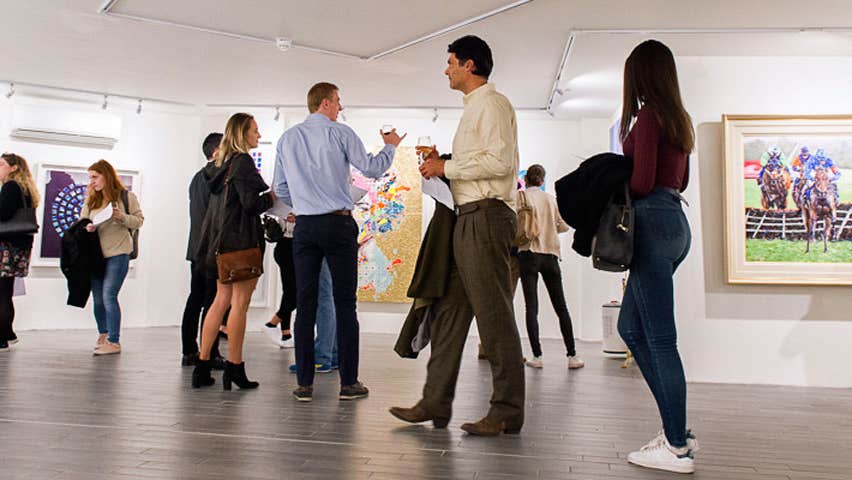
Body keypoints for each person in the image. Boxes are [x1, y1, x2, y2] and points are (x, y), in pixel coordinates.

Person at [390, 35, 525, 436]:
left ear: (470, 65)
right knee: (449, 312)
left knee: (494, 316)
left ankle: (506, 410)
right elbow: (482, 160)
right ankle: (435, 401)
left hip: (485, 218)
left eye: (450, 62)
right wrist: (445, 165)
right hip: (468, 219)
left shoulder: (492, 104)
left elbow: (500, 163)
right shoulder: (475, 109)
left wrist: (445, 167)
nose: (446, 69)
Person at [274, 82, 403, 402]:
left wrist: (304, 204)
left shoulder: (287, 139)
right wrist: (390, 146)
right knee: (345, 304)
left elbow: (281, 187)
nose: (341, 107)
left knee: (305, 305)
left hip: (304, 228)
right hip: (338, 223)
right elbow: (373, 168)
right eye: (338, 101)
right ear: (325, 104)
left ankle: (304, 384)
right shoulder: (341, 133)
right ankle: (348, 383)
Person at [616, 39, 699, 474]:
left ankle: (677, 444)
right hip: (675, 224)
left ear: (640, 74)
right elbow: (678, 181)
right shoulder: (678, 118)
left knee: (662, 339)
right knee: (628, 326)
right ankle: (676, 432)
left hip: (650, 221)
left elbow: (643, 181)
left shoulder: (647, 116)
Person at [192, 113, 275, 390]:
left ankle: (202, 367)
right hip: (240, 245)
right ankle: (235, 367)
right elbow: (251, 205)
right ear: (242, 133)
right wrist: (272, 197)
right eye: (255, 130)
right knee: (239, 304)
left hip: (218, 245)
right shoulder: (242, 162)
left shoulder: (220, 164)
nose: (258, 135)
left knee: (220, 301)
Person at [517, 165, 584, 370]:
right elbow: (563, 226)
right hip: (551, 255)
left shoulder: (521, 197)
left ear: (526, 179)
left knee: (532, 307)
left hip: (528, 253)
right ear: (542, 179)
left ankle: (537, 357)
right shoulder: (551, 199)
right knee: (561, 306)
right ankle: (572, 356)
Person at [80, 159, 144, 356]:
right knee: (98, 298)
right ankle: (104, 333)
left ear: (106, 176)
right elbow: (81, 223)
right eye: (90, 177)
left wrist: (121, 217)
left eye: (95, 177)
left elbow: (139, 221)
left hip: (118, 254)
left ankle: (114, 341)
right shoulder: (91, 200)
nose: (92, 181)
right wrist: (87, 227)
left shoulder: (126, 197)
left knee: (109, 295)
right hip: (96, 256)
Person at [181, 133, 226, 368]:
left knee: (196, 299)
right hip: (210, 249)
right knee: (211, 302)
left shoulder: (197, 178)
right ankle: (209, 352)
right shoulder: (216, 178)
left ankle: (190, 350)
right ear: (216, 151)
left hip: (197, 248)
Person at [0, 153, 39, 351]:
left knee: (2, 292)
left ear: (14, 168)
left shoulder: (10, 186)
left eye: (2, 164)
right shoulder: (25, 189)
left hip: (6, 246)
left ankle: (3, 335)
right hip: (20, 246)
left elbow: (3, 213)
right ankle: (7, 333)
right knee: (5, 291)